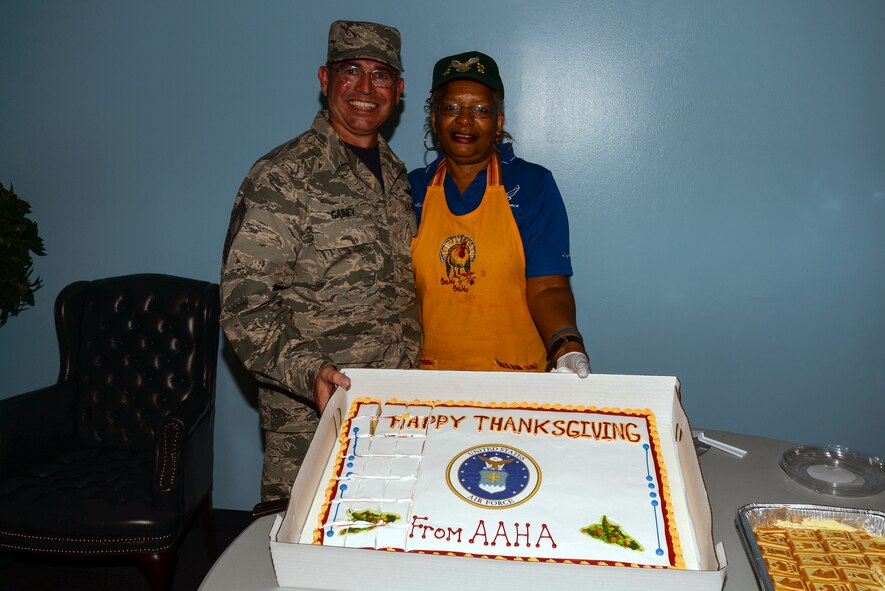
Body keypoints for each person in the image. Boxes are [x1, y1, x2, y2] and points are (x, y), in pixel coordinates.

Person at [220, 20, 421, 502]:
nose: (365, 89)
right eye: (350, 71)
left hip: (395, 410)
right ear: (325, 80)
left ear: (399, 89)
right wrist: (310, 372)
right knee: (307, 562)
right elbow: (246, 309)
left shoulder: (397, 176)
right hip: (313, 421)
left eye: (380, 75)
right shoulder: (283, 177)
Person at [409, 51, 590, 376]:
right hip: (432, 389)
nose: (464, 120)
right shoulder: (411, 190)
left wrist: (566, 343)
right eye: (451, 108)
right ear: (434, 119)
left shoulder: (532, 185)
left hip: (517, 388)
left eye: (480, 109)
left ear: (499, 123)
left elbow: (548, 287)